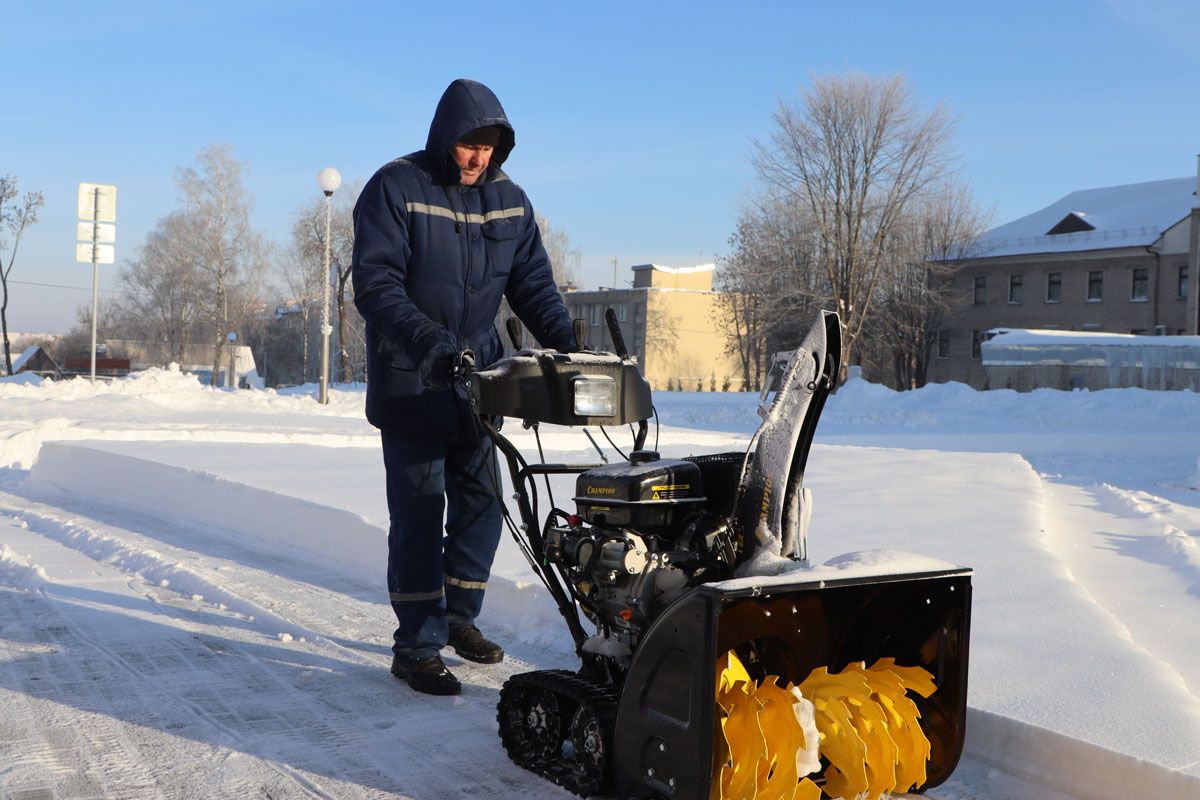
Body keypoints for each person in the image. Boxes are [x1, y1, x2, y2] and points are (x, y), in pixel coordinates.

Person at [352, 79, 575, 696]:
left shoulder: (510, 200)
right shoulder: (396, 188)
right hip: (413, 382)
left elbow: (532, 283)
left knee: (483, 505)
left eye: (489, 146)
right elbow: (376, 286)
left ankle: (459, 620)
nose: (478, 157)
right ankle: (417, 646)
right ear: (445, 137)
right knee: (421, 515)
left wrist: (567, 339)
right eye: (468, 144)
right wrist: (429, 344)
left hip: (481, 387)